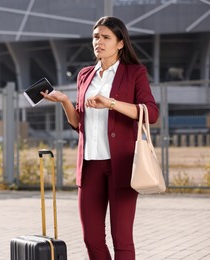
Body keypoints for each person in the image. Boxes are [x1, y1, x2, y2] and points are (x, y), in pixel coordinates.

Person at [41, 16, 159, 260]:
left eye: (106, 37)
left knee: (122, 239)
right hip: (90, 164)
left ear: (120, 43)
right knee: (91, 238)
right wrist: (64, 100)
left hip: (122, 165)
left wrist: (111, 103)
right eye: (96, 37)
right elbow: (78, 123)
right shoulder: (85, 75)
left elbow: (152, 113)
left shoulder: (134, 73)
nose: (99, 42)